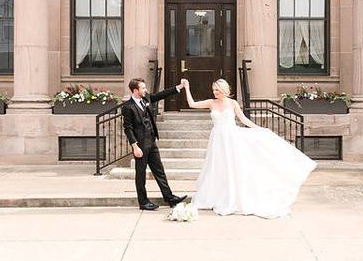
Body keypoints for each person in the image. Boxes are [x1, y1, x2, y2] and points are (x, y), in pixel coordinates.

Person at [176, 77, 316, 219]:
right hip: (217, 139)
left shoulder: (233, 103)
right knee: (218, 167)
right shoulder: (211, 103)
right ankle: (220, 194)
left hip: (231, 137)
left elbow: (243, 119)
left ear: (224, 90)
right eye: (213, 90)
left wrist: (259, 129)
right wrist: (187, 88)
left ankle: (235, 195)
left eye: (217, 89)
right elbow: (192, 104)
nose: (214, 92)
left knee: (233, 166)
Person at [122, 78, 189, 211]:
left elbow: (160, 95)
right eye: (143, 88)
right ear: (135, 90)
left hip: (151, 142)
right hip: (140, 145)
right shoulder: (128, 107)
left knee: (159, 171)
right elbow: (128, 128)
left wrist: (179, 87)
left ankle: (169, 197)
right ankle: (143, 202)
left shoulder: (145, 99)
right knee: (140, 174)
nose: (145, 90)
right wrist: (135, 146)